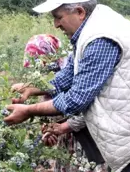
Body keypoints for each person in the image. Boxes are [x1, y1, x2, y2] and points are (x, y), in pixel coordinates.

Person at [4, 0, 130, 172]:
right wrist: (33, 88)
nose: (56, 24)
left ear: (79, 12)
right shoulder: (90, 28)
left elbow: (76, 99)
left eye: (58, 17)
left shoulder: (100, 37)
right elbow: (70, 73)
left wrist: (29, 111)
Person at [20, 34, 108, 172]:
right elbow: (52, 115)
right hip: (68, 149)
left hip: (89, 144)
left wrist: (64, 127)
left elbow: (90, 109)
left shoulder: (77, 76)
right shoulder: (47, 84)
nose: (39, 73)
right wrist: (50, 133)